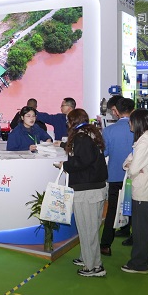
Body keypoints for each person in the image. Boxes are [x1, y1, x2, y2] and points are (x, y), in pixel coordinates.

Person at [58, 108, 108, 278]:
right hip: (96, 187)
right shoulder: (91, 133)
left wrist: (65, 165)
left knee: (87, 229)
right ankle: (87, 258)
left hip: (87, 189)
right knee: (90, 228)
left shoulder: (81, 137)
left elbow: (82, 160)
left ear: (73, 121)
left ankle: (94, 266)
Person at [121, 109, 148, 275]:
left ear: (137, 122)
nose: (129, 124)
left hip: (143, 189)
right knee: (142, 226)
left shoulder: (144, 143)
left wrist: (131, 167)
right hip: (146, 188)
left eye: (131, 121)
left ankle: (139, 263)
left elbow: (132, 168)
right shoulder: (146, 140)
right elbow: (130, 163)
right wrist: (132, 166)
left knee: (140, 228)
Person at [100, 97, 135, 255]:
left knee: (112, 210)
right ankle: (134, 237)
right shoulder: (139, 128)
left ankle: (106, 245)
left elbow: (104, 152)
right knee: (135, 208)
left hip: (115, 175)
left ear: (116, 111)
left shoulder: (109, 131)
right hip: (134, 176)